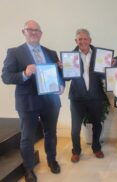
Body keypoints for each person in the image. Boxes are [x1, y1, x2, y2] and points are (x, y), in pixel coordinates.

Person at [1, 20, 64, 182]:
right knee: (27, 137)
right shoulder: (14, 52)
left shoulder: (51, 53)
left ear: (41, 34)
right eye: (30, 30)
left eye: (37, 30)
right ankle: (29, 169)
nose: (34, 32)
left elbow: (59, 76)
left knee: (51, 133)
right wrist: (25, 73)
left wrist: (61, 86)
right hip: (27, 103)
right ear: (24, 32)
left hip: (50, 101)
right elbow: (6, 77)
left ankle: (52, 160)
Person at [67, 29, 106, 163]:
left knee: (97, 124)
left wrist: (109, 68)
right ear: (76, 41)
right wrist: (62, 68)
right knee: (75, 128)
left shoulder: (100, 55)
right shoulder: (70, 57)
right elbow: (66, 78)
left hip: (95, 97)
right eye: (80, 39)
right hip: (77, 98)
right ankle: (76, 151)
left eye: (85, 39)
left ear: (90, 40)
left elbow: (104, 76)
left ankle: (96, 148)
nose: (83, 41)